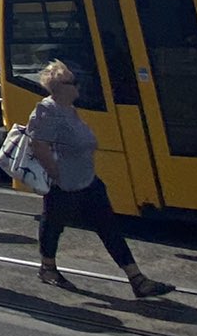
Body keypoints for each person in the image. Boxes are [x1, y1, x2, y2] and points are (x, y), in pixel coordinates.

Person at [27, 61, 175, 298]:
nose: (79, 86)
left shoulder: (70, 109)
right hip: (64, 184)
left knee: (108, 228)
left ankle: (136, 278)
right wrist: (55, 174)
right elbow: (38, 144)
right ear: (60, 87)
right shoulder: (48, 110)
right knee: (53, 225)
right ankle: (48, 268)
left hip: (87, 181)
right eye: (74, 82)